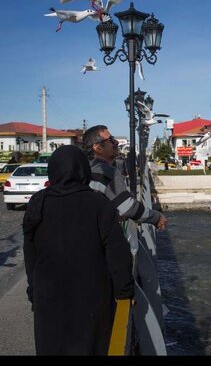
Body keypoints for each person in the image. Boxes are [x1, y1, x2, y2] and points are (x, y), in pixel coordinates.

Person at [23, 145, 134, 355]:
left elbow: (30, 253)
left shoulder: (38, 202)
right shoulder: (99, 203)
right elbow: (118, 253)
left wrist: (33, 289)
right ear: (84, 170)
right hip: (91, 297)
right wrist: (125, 292)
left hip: (48, 295)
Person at [82, 125, 168, 230]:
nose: (116, 143)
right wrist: (156, 217)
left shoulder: (86, 169)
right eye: (111, 140)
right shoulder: (106, 172)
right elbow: (128, 208)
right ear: (98, 148)